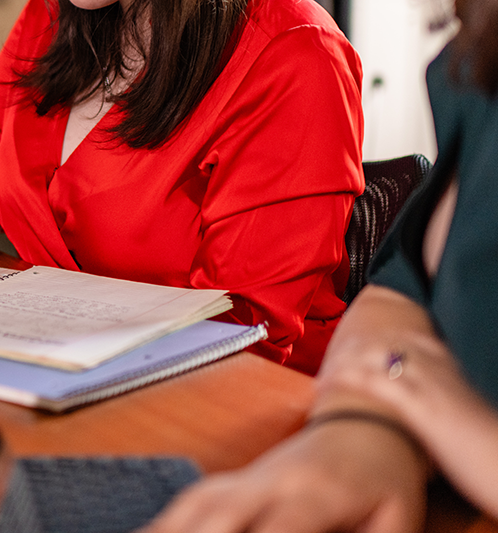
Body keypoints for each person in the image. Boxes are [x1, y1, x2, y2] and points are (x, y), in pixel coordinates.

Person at [0, 0, 364, 375]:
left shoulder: (295, 53)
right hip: (51, 364)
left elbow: (243, 330)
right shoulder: (54, 15)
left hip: (231, 399)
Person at [140, 0, 498, 531]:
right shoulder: (474, 62)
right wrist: (365, 425)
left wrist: (421, 401)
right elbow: (403, 289)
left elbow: (251, 318)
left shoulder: (292, 45)